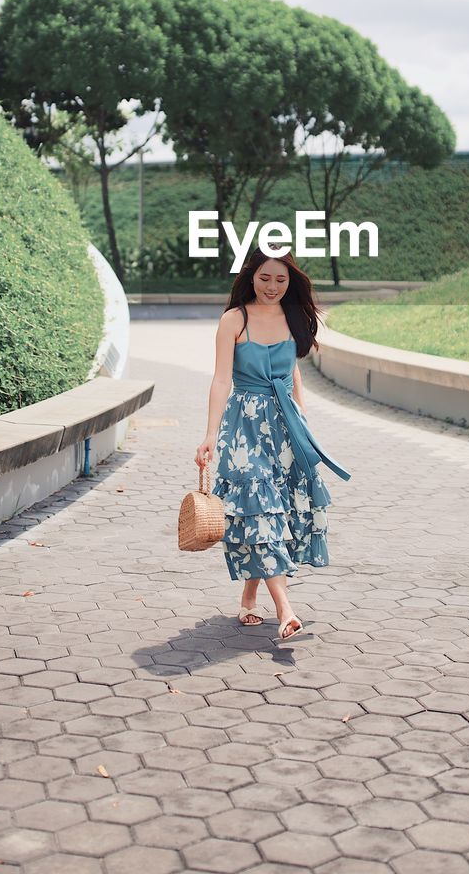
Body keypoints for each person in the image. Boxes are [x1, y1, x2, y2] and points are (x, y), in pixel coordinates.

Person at [194, 247, 351, 643]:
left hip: (286, 428)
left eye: (281, 280)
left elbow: (293, 369)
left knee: (272, 513)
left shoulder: (293, 316)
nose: (272, 287)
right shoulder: (234, 319)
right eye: (265, 278)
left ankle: (250, 597)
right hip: (245, 428)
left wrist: (302, 419)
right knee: (259, 511)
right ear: (251, 276)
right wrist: (210, 434)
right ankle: (285, 610)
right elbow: (219, 381)